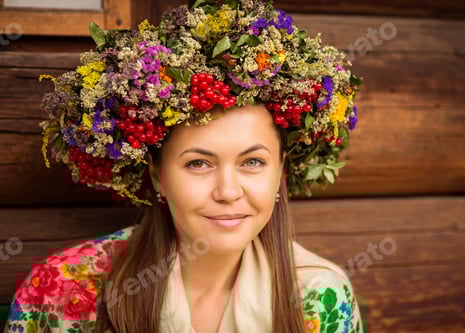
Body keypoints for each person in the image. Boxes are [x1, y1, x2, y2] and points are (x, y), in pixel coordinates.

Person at [4, 0, 363, 332]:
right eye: (198, 164)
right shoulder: (64, 289)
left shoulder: (319, 295)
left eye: (252, 162)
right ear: (157, 174)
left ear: (281, 172)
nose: (227, 192)